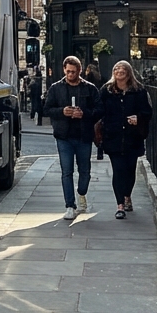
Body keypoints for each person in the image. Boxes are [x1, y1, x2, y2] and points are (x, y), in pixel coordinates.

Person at [44, 55, 101, 220]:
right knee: (66, 172)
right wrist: (62, 112)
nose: (70, 75)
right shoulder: (56, 88)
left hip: (84, 136)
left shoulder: (89, 88)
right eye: (68, 72)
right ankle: (70, 205)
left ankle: (81, 193)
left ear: (79, 71)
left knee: (85, 172)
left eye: (73, 72)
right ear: (64, 70)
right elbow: (46, 109)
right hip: (64, 136)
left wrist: (84, 114)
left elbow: (99, 110)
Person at [99, 61, 153, 219]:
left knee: (130, 170)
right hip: (113, 137)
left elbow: (148, 112)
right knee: (118, 170)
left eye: (122, 71)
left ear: (129, 73)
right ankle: (120, 205)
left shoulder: (139, 91)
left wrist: (139, 118)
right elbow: (99, 110)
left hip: (132, 137)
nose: (119, 72)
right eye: (116, 70)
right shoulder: (106, 91)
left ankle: (127, 195)